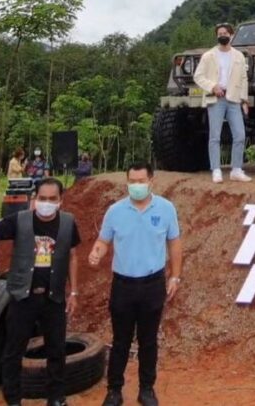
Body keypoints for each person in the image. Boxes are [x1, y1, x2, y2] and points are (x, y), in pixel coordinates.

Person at [0, 177, 80, 406]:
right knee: (14, 351)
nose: (47, 203)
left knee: (56, 350)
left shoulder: (68, 223)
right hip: (23, 296)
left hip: (54, 298)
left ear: (61, 200)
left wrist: (74, 292)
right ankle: (13, 399)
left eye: (52, 199)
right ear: (34, 199)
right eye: (42, 198)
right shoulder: (19, 221)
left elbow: (72, 256)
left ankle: (56, 398)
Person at [88, 161, 182, 406]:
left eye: (141, 181)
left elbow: (174, 244)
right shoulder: (115, 211)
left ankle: (147, 389)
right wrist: (96, 252)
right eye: (132, 181)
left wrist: (175, 275)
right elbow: (103, 241)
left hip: (153, 284)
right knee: (120, 340)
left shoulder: (166, 209)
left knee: (148, 341)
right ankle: (114, 390)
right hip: (123, 285)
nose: (137, 186)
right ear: (127, 182)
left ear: (152, 181)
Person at [193, 23, 251, 183]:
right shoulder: (208, 55)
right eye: (219, 33)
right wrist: (212, 86)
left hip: (233, 98)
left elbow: (243, 78)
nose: (222, 35)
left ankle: (237, 169)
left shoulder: (239, 55)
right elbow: (198, 76)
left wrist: (244, 99)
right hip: (216, 98)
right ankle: (216, 169)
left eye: (225, 32)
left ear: (231, 35)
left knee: (239, 134)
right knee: (215, 136)